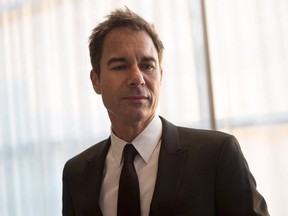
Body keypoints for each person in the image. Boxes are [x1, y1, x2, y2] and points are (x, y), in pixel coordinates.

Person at [62, 7, 269, 216]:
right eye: (120, 66)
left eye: (147, 66)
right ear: (96, 80)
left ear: (160, 76)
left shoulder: (217, 154)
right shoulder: (76, 173)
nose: (138, 78)